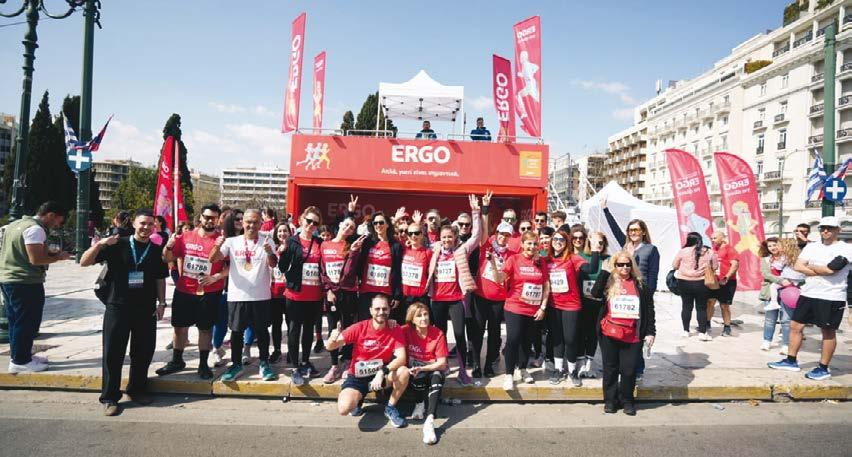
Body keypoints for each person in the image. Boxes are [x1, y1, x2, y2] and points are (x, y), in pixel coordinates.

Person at [80, 209, 169, 416]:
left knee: (143, 352)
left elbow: (160, 278)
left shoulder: (156, 250)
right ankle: (110, 397)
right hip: (117, 306)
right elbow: (84, 262)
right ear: (134, 224)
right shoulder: (117, 244)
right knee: (113, 352)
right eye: (142, 223)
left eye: (150, 224)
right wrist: (100, 244)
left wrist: (162, 303)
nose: (146, 227)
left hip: (146, 308)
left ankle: (136, 389)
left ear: (154, 227)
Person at [769, 216, 852, 380]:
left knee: (828, 331)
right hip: (808, 292)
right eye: (822, 228)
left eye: (829, 228)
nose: (825, 231)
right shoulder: (812, 247)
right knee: (795, 326)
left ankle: (823, 368)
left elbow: (832, 270)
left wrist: (810, 267)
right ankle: (791, 360)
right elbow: (798, 266)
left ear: (838, 230)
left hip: (831, 295)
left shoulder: (846, 248)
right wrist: (820, 270)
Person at [157, 204, 227, 380]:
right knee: (179, 327)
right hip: (185, 290)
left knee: (205, 329)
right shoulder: (186, 237)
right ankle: (177, 360)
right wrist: (168, 246)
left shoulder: (222, 240)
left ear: (218, 220)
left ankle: (203, 364)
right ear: (200, 217)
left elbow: (230, 266)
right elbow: (167, 258)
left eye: (213, 218)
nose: (209, 220)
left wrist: (216, 277)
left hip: (210, 292)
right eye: (207, 217)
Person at [0, 201, 71, 373]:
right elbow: (35, 259)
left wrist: (50, 253)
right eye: (59, 221)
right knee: (27, 322)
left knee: (15, 321)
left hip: (8, 278)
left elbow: (22, 251)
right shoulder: (36, 229)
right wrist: (59, 257)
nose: (57, 225)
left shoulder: (15, 225)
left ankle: (19, 355)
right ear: (51, 215)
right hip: (25, 281)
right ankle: (21, 361)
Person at [210, 209, 278, 383]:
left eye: (255, 222)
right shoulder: (232, 242)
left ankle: (264, 363)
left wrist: (270, 252)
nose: (251, 225)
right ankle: (236, 364)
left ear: (261, 223)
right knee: (236, 332)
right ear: (242, 223)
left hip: (260, 295)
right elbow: (213, 259)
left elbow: (273, 264)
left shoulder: (267, 240)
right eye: (248, 221)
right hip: (237, 294)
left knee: (262, 331)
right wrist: (217, 246)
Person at [327, 294, 410, 428]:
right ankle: (358, 400)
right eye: (377, 309)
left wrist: (382, 372)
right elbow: (330, 347)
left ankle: (390, 407)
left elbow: (401, 358)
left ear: (389, 310)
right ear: (371, 310)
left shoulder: (395, 328)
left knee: (403, 372)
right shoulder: (359, 327)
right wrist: (332, 339)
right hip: (358, 376)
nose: (381, 312)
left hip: (381, 376)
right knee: (344, 408)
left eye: (384, 309)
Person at [589, 251, 655, 416]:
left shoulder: (640, 285)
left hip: (632, 335)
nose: (624, 267)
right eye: (620, 264)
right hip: (609, 333)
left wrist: (650, 332)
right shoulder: (609, 282)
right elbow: (595, 293)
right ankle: (610, 401)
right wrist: (605, 272)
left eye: (628, 264)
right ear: (615, 266)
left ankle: (627, 400)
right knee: (610, 368)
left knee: (629, 370)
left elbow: (649, 310)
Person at [601, 198, 660, 379]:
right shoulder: (625, 246)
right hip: (623, 293)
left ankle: (638, 368)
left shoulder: (651, 249)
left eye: (636, 230)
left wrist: (648, 296)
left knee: (638, 331)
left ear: (643, 232)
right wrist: (606, 211)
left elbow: (653, 275)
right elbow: (615, 230)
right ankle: (623, 365)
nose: (633, 233)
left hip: (640, 294)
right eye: (630, 230)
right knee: (624, 329)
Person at [427, 194, 482, 386]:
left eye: (450, 237)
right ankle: (442, 367)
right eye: (444, 237)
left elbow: (476, 236)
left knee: (459, 335)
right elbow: (419, 240)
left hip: (456, 299)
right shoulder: (434, 249)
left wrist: (476, 212)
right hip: (437, 300)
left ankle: (463, 371)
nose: (446, 240)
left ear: (455, 237)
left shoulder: (461, 250)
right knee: (439, 335)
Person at [277, 206, 325, 385]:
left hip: (314, 294)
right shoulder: (292, 241)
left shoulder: (319, 242)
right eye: (308, 221)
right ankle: (295, 367)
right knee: (294, 329)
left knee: (309, 330)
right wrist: (283, 252)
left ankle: (305, 361)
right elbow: (282, 267)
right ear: (301, 220)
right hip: (295, 293)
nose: (311, 225)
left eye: (315, 223)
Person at [501, 230, 549, 391]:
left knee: (527, 342)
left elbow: (546, 285)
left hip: (533, 309)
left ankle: (522, 369)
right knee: (513, 339)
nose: (532, 246)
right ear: (522, 244)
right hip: (514, 306)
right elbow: (500, 278)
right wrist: (493, 265)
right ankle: (509, 375)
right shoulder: (513, 259)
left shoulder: (541, 262)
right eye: (529, 243)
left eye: (535, 244)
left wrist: (543, 307)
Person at [319, 217, 366, 383]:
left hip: (348, 293)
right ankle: (334, 365)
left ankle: (347, 361)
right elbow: (322, 270)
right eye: (346, 225)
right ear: (340, 225)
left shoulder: (352, 246)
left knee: (348, 328)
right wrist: (328, 290)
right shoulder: (325, 245)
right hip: (331, 294)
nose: (348, 228)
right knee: (333, 328)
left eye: (352, 227)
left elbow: (349, 273)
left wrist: (353, 252)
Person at [545, 228, 591, 386]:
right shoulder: (547, 259)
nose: (558, 242)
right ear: (551, 242)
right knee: (557, 338)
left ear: (566, 243)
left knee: (570, 339)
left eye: (562, 240)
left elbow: (590, 269)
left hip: (571, 305)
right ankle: (558, 369)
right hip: (553, 304)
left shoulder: (573, 258)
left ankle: (572, 370)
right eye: (555, 239)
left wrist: (595, 251)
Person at [402, 302, 448, 445]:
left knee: (437, 376)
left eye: (425, 314)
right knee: (416, 374)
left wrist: (423, 368)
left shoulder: (438, 333)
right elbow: (388, 332)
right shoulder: (405, 330)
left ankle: (429, 420)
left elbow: (442, 363)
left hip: (432, 368)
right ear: (412, 319)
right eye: (419, 316)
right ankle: (419, 403)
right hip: (415, 371)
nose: (424, 318)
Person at [472, 221, 512, 378]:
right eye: (501, 234)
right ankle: (476, 364)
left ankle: (489, 365)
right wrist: (484, 211)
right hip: (481, 297)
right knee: (478, 332)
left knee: (494, 334)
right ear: (496, 234)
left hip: (499, 300)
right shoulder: (486, 246)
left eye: (507, 235)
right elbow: (484, 227)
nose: (503, 237)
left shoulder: (511, 255)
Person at [357, 211, 404, 322]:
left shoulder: (395, 245)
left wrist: (397, 295)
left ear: (387, 224)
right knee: (365, 324)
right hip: (367, 291)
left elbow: (398, 271)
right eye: (375, 223)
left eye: (381, 222)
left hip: (385, 292)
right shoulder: (367, 242)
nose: (378, 225)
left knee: (383, 325)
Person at [672, 232, 718, 341]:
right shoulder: (709, 252)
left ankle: (686, 331)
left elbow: (674, 265)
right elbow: (715, 266)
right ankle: (702, 332)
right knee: (701, 308)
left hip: (684, 282)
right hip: (701, 283)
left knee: (686, 307)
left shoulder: (683, 251)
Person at [759, 237, 801, 354]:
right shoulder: (766, 259)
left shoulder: (790, 257)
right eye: (770, 246)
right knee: (770, 318)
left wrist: (792, 281)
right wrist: (781, 281)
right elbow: (766, 274)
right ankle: (767, 341)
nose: (773, 248)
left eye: (775, 245)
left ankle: (786, 344)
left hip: (789, 292)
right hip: (771, 291)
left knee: (786, 320)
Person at [576, 231, 609, 378]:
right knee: (581, 332)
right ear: (589, 242)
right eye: (594, 242)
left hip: (599, 303)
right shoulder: (581, 257)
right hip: (582, 301)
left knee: (594, 333)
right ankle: (580, 362)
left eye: (600, 242)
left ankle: (589, 362)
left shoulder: (608, 259)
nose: (598, 245)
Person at [707, 231, 739, 337]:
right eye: (711, 238)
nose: (713, 240)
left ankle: (727, 327)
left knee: (724, 305)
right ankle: (707, 324)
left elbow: (735, 265)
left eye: (715, 238)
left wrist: (726, 277)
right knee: (710, 302)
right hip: (714, 281)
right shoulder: (713, 249)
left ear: (722, 238)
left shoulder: (730, 249)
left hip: (727, 282)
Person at [269, 221, 292, 363]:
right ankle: (277, 350)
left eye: (285, 231)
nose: (282, 234)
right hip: (274, 292)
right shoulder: (272, 249)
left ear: (290, 233)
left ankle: (291, 350)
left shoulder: (294, 248)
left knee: (291, 324)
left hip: (290, 292)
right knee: (276, 324)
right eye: (280, 231)